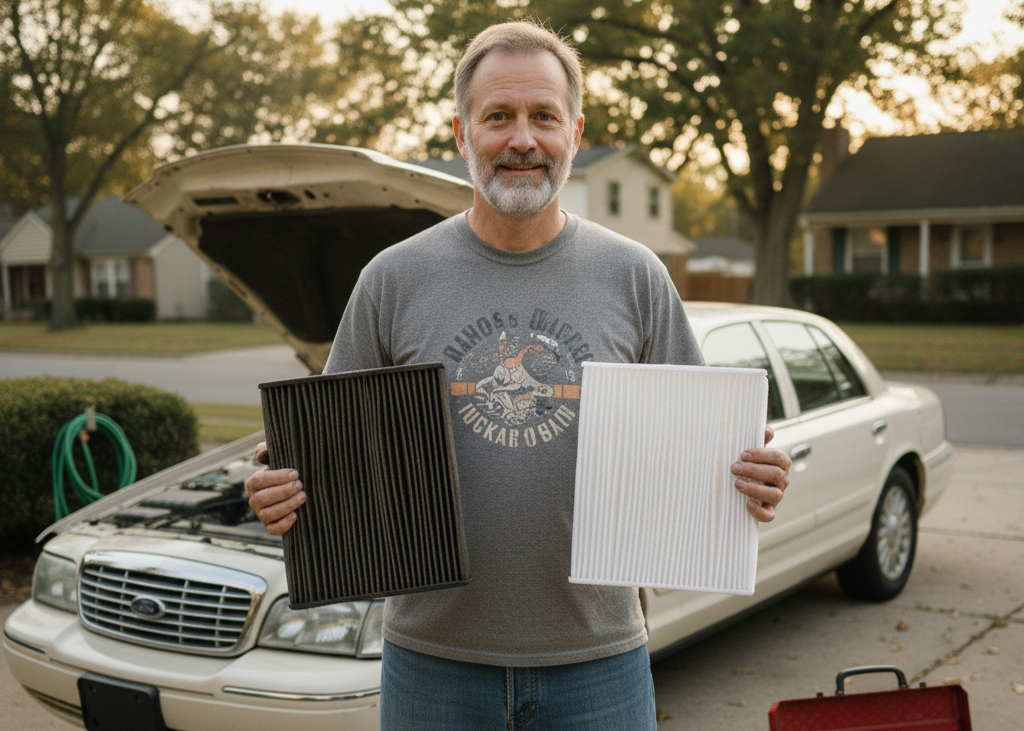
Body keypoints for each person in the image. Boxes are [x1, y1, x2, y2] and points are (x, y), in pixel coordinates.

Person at [245, 20, 791, 730]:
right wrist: (274, 485)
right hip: (431, 664)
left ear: (575, 130)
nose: (522, 139)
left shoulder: (635, 277)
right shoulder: (392, 279)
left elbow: (705, 453)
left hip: (599, 663)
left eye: (544, 117)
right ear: (462, 133)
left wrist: (754, 477)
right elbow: (325, 448)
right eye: (498, 116)